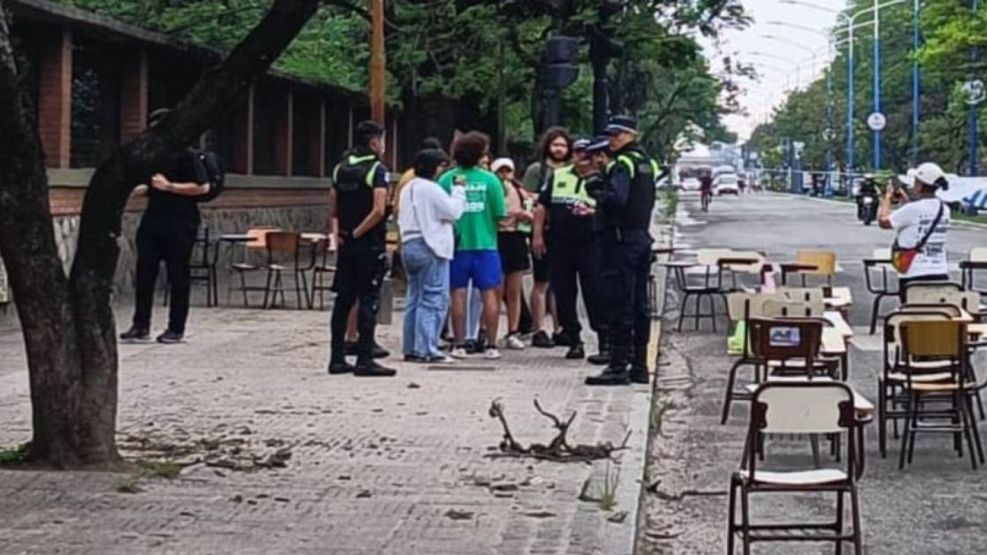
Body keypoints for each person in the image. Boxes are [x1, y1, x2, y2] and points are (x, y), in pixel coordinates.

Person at [120, 108, 211, 344]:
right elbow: (152, 184)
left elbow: (202, 187)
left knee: (177, 274)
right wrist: (144, 189)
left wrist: (169, 186)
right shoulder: (153, 156)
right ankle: (140, 325)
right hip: (153, 220)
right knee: (144, 272)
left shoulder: (187, 155)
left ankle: (175, 328)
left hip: (181, 222)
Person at [585, 116, 658, 386]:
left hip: (620, 241)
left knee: (619, 303)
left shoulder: (622, 163)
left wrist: (596, 188)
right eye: (611, 135)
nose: (612, 140)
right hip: (640, 237)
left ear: (631, 135)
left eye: (617, 135)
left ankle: (617, 366)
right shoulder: (647, 163)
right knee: (640, 306)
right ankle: (639, 366)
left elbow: (616, 200)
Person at [327, 121, 396, 377]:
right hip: (367, 243)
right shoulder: (377, 170)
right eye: (383, 140)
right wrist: (358, 233)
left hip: (345, 242)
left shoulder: (339, 168)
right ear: (374, 142)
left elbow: (332, 207)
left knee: (343, 299)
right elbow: (379, 209)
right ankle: (365, 358)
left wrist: (340, 234)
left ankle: (336, 357)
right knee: (368, 298)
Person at [533, 138, 606, 361]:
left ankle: (605, 342)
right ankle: (574, 339)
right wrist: (537, 235)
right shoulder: (559, 175)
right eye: (578, 152)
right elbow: (542, 206)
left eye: (587, 152)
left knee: (595, 293)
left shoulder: (602, 178)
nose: (582, 156)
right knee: (563, 294)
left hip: (592, 244)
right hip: (560, 244)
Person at [438, 132, 507, 360]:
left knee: (456, 293)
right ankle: (490, 344)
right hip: (486, 243)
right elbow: (500, 214)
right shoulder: (490, 180)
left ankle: (458, 343)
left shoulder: (447, 179)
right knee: (489, 293)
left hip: (455, 244)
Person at [398, 149, 465, 363]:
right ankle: (427, 348)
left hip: (409, 243)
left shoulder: (408, 187)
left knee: (414, 297)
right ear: (435, 167)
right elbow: (453, 212)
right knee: (434, 298)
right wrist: (459, 191)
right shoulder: (431, 189)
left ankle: (411, 347)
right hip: (430, 244)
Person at [523, 127, 572, 348]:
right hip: (543, 229)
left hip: (565, 232)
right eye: (555, 145)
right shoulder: (537, 171)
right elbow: (530, 198)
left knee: (560, 282)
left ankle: (560, 327)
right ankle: (539, 328)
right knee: (541, 281)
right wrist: (536, 232)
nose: (559, 149)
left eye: (563, 145)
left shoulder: (573, 171)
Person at [878, 162, 951, 299]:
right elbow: (918, 213)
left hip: (914, 273)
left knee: (913, 316)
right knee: (938, 315)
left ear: (920, 184)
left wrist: (887, 198)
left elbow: (883, 222)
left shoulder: (912, 209)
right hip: (940, 272)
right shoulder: (944, 209)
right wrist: (904, 199)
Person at [492, 157, 533, 350]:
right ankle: (488, 330)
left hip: (516, 238)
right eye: (500, 171)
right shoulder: (492, 189)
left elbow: (530, 209)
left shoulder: (519, 190)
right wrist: (515, 214)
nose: (504, 175)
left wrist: (525, 216)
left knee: (514, 290)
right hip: (497, 237)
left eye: (508, 170)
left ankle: (513, 330)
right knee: (496, 289)